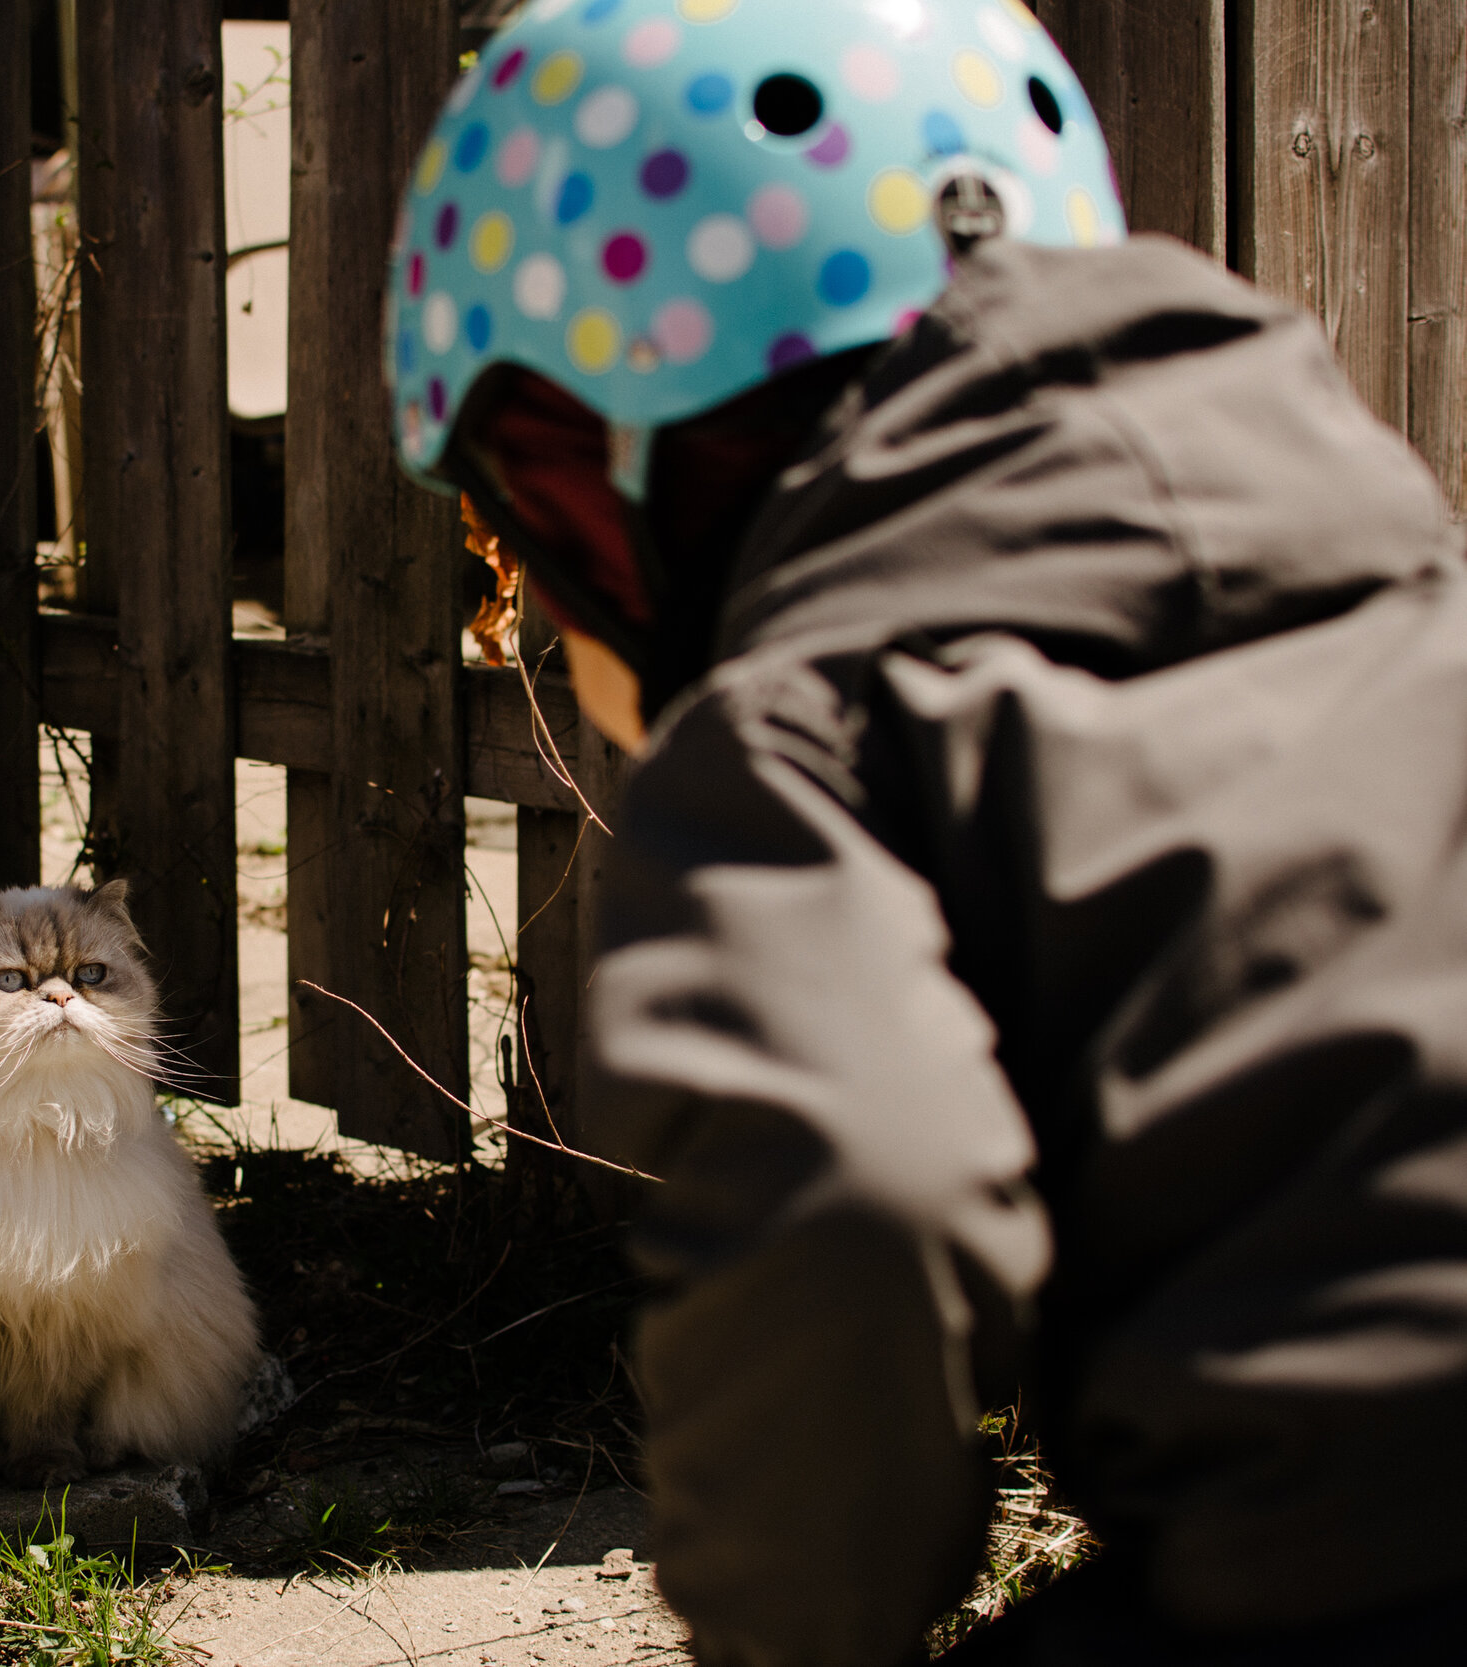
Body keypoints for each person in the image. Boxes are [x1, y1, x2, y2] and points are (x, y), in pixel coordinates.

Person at [384, 4, 1467, 1664]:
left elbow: (855, 1210)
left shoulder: (800, 743)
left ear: (619, 479)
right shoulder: (1408, 584)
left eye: (517, 519)